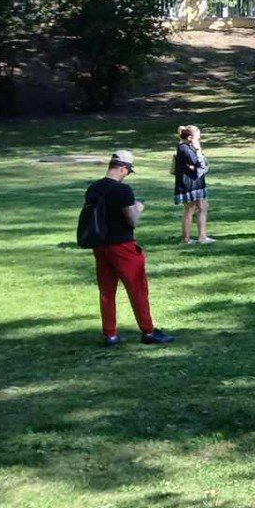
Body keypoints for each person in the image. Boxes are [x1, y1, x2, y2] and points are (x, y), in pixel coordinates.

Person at [85, 151, 173, 346]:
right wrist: (139, 207)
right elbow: (132, 220)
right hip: (122, 247)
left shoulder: (93, 188)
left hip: (100, 246)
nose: (126, 174)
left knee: (107, 291)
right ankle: (148, 332)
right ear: (123, 168)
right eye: (127, 171)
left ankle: (110, 334)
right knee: (138, 289)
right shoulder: (123, 190)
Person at [173, 125, 212, 245]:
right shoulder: (184, 148)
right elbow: (199, 163)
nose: (199, 139)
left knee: (203, 207)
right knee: (189, 209)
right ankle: (186, 239)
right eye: (198, 136)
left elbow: (203, 165)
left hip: (197, 181)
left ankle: (202, 237)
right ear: (190, 137)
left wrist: (198, 156)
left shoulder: (189, 147)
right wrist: (198, 151)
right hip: (188, 183)